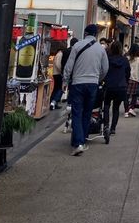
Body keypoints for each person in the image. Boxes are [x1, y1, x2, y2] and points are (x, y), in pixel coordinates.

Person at [62, 24, 109, 155]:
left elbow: (68, 66)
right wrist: (98, 79)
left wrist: (65, 81)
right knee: (87, 113)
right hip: (93, 84)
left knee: (77, 112)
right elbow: (105, 68)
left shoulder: (77, 46)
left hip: (77, 83)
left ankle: (78, 143)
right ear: (95, 35)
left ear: (85, 33)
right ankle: (81, 140)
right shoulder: (101, 49)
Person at [103, 40, 130, 140]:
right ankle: (113, 128)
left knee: (106, 105)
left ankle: (106, 125)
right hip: (121, 86)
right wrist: (125, 82)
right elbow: (128, 73)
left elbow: (104, 71)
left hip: (109, 85)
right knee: (116, 108)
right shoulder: (124, 60)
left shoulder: (107, 59)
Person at [124, 44, 139, 118]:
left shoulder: (127, 58)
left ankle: (126, 111)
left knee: (126, 96)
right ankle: (131, 108)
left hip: (128, 79)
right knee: (134, 95)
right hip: (136, 79)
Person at [49, 46, 66, 110]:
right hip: (58, 73)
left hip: (55, 73)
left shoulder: (57, 54)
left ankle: (52, 102)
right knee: (60, 88)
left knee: (56, 88)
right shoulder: (60, 54)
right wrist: (61, 71)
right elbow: (58, 64)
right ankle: (54, 102)